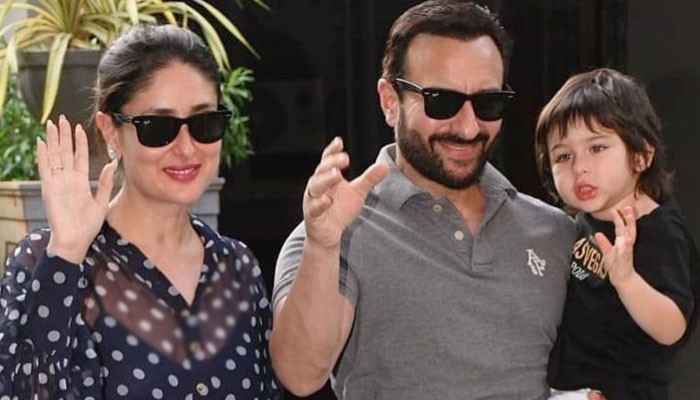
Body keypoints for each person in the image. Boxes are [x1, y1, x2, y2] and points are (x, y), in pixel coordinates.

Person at [270, 1, 582, 399]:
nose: (468, 127)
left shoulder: (555, 232)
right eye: (441, 101)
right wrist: (322, 246)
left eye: (488, 103)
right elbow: (300, 374)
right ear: (389, 101)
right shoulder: (336, 234)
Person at [0, 24, 280, 399]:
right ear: (110, 131)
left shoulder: (238, 266)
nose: (186, 148)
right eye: (158, 127)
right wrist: (65, 255)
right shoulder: (46, 261)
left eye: (205, 123)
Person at [534, 67, 700, 399]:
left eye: (597, 148)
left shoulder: (660, 231)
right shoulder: (584, 220)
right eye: (563, 156)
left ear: (641, 155)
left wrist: (627, 281)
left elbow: (672, 327)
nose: (579, 166)